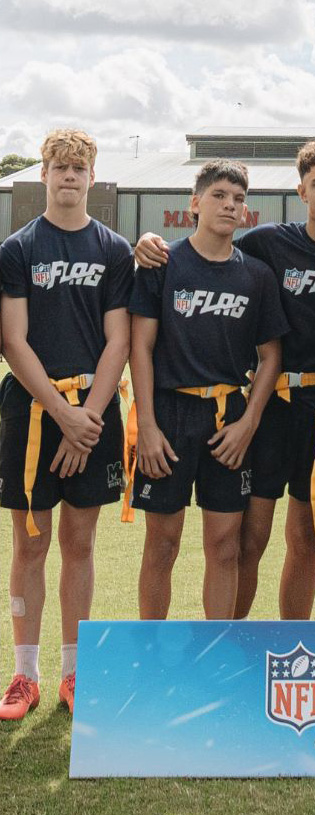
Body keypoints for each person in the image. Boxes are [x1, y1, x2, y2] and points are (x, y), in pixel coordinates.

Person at [134, 139, 315, 620]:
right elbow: (145, 339)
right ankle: (207, 650)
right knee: (243, 540)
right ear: (301, 190)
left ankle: (283, 647)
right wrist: (148, 243)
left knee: (303, 540)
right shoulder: (267, 245)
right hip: (263, 411)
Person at [0, 129, 132, 719]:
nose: (70, 176)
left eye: (80, 168)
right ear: (45, 175)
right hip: (33, 410)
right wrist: (61, 413)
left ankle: (75, 674)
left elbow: (119, 339)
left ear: (93, 177)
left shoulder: (114, 249)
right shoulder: (18, 248)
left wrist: (90, 420)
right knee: (31, 543)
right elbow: (11, 338)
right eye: (60, 166)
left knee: (80, 543)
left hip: (94, 409)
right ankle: (23, 676)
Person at [129, 159, 287, 620]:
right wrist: (148, 426)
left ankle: (215, 653)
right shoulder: (162, 263)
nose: (230, 205)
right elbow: (140, 347)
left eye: (239, 199)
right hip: (169, 414)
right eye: (219, 195)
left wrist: (248, 424)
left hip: (227, 418)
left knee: (225, 546)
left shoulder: (256, 275)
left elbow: (271, 356)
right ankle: (151, 651)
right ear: (195, 203)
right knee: (163, 543)